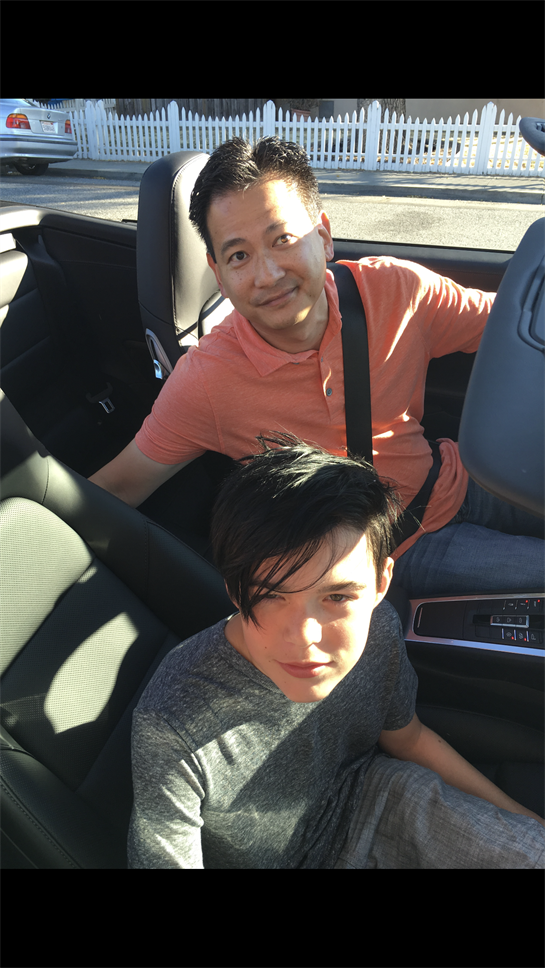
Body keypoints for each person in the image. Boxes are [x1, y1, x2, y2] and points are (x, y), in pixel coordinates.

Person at [89, 137, 545, 598]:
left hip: (459, 477)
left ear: (323, 236)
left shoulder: (397, 292)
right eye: (239, 256)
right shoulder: (207, 380)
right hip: (402, 551)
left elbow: (519, 325)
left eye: (283, 239)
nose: (267, 275)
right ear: (219, 274)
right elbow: (116, 488)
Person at [127, 436, 545, 869]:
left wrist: (524, 821)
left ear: (382, 583)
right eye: (272, 596)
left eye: (338, 597)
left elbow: (410, 738)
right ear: (235, 591)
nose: (306, 638)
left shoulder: (379, 629)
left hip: (379, 800)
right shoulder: (173, 723)